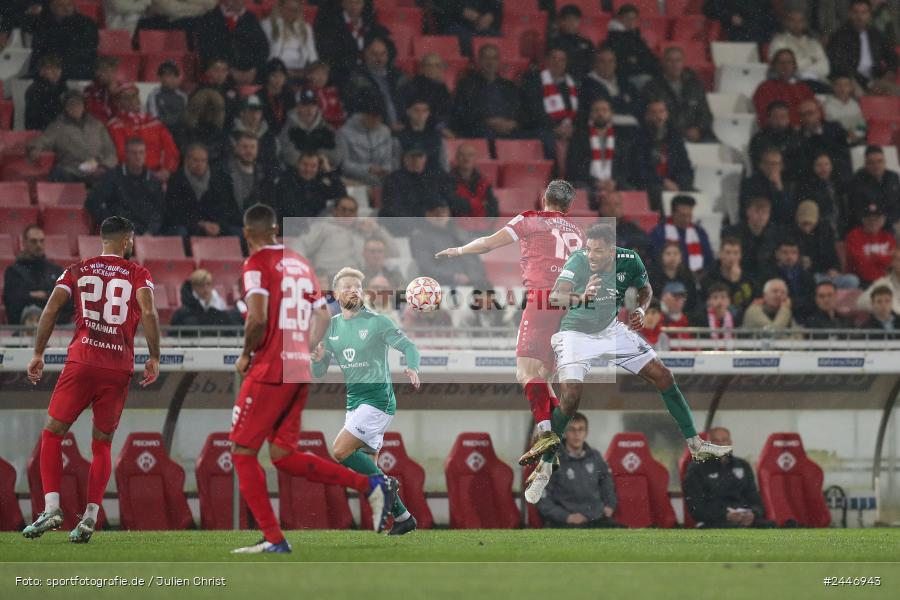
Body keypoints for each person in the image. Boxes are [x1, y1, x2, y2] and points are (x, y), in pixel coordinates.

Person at [229, 204, 397, 553]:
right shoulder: (300, 265)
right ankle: (371, 486)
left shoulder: (257, 264)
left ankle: (274, 539)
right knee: (282, 454)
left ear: (247, 234)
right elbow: (323, 313)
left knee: (243, 452)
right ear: (276, 229)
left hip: (270, 370)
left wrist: (246, 353)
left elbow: (257, 318)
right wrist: (303, 349)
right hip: (297, 370)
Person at [523, 223, 733, 502]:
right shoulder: (579, 261)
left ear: (612, 251)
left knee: (664, 376)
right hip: (575, 333)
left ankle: (695, 444)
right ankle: (545, 468)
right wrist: (581, 295)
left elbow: (645, 289)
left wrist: (640, 309)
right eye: (590, 249)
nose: (592, 255)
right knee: (571, 399)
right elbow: (556, 295)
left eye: (598, 251)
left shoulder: (630, 260)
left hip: (611, 330)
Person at [21, 216, 161, 543]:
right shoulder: (138, 273)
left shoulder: (78, 268)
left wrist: (38, 352)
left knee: (53, 432)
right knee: (102, 444)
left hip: (82, 360)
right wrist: (154, 356)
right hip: (117, 367)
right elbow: (150, 312)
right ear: (126, 241)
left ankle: (52, 507)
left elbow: (51, 309)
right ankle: (90, 517)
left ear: (102, 239)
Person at [435, 181, 586, 466]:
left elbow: (489, 243)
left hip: (543, 299)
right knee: (545, 377)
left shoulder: (532, 219)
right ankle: (552, 440)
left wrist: (459, 251)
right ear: (568, 207)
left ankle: (544, 434)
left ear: (544, 199)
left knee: (526, 373)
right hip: (571, 307)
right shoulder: (578, 231)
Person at [311, 267, 420, 535]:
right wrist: (316, 360)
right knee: (367, 474)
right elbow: (319, 373)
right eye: (347, 286)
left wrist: (413, 366)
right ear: (335, 293)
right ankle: (404, 517)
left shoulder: (378, 321)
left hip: (378, 400)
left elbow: (409, 346)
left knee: (339, 451)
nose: (353, 290)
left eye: (357, 287)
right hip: (354, 403)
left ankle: (387, 487)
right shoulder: (332, 328)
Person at [536, 413, 622, 528]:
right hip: (565, 523)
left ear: (586, 433)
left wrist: (610, 505)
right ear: (565, 433)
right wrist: (566, 517)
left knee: (623, 533)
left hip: (596, 519)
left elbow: (607, 483)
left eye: (581, 429)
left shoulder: (595, 457)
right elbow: (541, 497)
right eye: (572, 429)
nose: (577, 434)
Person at [683, 427, 771, 528]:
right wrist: (725, 515)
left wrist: (753, 514)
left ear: (730, 442)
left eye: (724, 440)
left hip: (744, 519)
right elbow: (696, 507)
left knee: (771, 526)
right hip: (713, 521)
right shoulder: (696, 468)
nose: (721, 444)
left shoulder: (743, 465)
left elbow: (755, 500)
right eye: (716, 441)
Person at [295, 195, 397, 282]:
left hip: (359, 281)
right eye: (343, 210)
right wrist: (306, 270)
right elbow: (300, 245)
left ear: (356, 214)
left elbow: (394, 252)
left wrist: (377, 229)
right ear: (335, 211)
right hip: (329, 279)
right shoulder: (323, 227)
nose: (347, 213)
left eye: (351, 211)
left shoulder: (363, 231)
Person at [27, 89, 118, 185]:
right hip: (72, 169)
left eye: (78, 103)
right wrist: (34, 148)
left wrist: (103, 166)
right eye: (71, 104)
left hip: (96, 167)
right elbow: (43, 139)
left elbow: (111, 152)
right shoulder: (58, 126)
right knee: (58, 172)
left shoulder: (97, 125)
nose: (75, 107)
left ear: (84, 106)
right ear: (65, 108)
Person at [85, 138, 166, 235]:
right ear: (126, 154)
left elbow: (158, 212)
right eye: (134, 153)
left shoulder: (153, 180)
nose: (138, 157)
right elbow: (92, 202)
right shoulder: (113, 176)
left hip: (145, 234)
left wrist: (150, 232)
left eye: (141, 152)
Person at [628, 99, 693, 210]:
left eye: (661, 112)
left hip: (673, 184)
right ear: (647, 116)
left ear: (666, 114)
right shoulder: (638, 137)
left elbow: (685, 166)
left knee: (695, 194)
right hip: (649, 184)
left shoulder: (675, 137)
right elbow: (638, 169)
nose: (658, 116)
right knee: (660, 193)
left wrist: (680, 184)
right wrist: (663, 181)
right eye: (654, 112)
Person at [565, 98, 635, 202]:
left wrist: (614, 182)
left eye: (604, 110)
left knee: (632, 192)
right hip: (588, 183)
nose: (600, 114)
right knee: (582, 190)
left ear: (611, 113)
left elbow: (626, 167)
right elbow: (573, 167)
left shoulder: (620, 139)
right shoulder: (579, 137)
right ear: (591, 114)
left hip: (613, 184)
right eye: (596, 110)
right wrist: (595, 182)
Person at [163, 143, 240, 237]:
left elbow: (228, 209)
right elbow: (173, 213)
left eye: (203, 160)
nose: (199, 164)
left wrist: (219, 226)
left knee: (240, 232)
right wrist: (200, 224)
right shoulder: (176, 180)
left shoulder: (219, 180)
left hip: (216, 227)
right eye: (195, 160)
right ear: (186, 160)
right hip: (190, 227)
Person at [640, 47, 715, 143]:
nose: (674, 65)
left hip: (697, 135)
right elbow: (654, 116)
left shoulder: (695, 85)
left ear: (683, 63)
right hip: (668, 136)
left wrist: (698, 129)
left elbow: (705, 113)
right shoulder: (652, 87)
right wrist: (682, 132)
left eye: (678, 60)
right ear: (663, 63)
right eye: (670, 61)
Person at [106, 85, 180, 180]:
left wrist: (167, 170)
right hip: (131, 177)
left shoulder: (155, 123)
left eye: (134, 96)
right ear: (119, 103)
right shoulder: (115, 126)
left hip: (159, 175)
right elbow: (121, 154)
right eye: (126, 97)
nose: (132, 100)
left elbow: (171, 150)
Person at [451, 44, 524, 140]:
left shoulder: (509, 86)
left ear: (499, 61)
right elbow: (462, 114)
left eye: (494, 58)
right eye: (486, 58)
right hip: (480, 130)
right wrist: (488, 122)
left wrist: (514, 123)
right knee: (487, 134)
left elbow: (520, 111)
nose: (491, 62)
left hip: (508, 129)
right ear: (479, 61)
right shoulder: (466, 84)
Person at [410, 200, 488, 289]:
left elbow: (475, 261)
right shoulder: (420, 237)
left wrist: (472, 277)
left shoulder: (461, 233)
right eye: (436, 212)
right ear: (427, 215)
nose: (440, 216)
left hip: (471, 284)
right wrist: (453, 277)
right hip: (439, 286)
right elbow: (426, 266)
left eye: (443, 211)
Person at [826, 0, 898, 91]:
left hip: (876, 79)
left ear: (870, 15)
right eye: (856, 12)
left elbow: (893, 58)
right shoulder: (840, 35)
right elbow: (841, 66)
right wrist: (868, 83)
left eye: (864, 12)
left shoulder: (876, 34)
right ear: (850, 14)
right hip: (851, 80)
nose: (859, 17)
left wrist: (889, 73)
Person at [2, 225, 67, 326]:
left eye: (41, 241)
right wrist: (48, 296)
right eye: (34, 241)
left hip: (55, 328)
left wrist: (31, 295)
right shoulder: (13, 272)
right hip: (22, 331)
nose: (39, 245)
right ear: (24, 243)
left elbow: (67, 303)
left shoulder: (56, 270)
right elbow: (13, 303)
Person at [313, 0, 390, 84]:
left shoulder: (369, 23)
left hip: (368, 73)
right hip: (343, 74)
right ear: (342, 3)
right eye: (350, 2)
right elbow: (330, 56)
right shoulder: (332, 25)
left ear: (364, 3)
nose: (353, 6)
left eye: (358, 2)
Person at [520, 47, 579, 157]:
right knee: (548, 139)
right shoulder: (534, 79)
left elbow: (578, 111)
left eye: (561, 60)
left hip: (567, 129)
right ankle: (555, 175)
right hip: (542, 128)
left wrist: (571, 128)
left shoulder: (572, 84)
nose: (557, 63)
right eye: (553, 58)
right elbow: (534, 109)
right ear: (546, 60)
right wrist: (554, 128)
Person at [195, 0, 269, 85]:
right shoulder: (209, 18)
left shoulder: (250, 18)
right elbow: (207, 50)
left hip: (252, 75)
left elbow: (263, 48)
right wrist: (229, 71)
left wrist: (254, 70)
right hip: (223, 77)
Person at [380, 146, 459, 225]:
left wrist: (444, 209)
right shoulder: (394, 178)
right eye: (412, 157)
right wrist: (424, 215)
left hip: (436, 224)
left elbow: (449, 197)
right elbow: (393, 207)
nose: (416, 160)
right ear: (404, 159)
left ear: (425, 158)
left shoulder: (435, 175)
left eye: (419, 156)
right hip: (407, 225)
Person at [343, 36, 407, 131]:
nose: (379, 58)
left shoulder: (399, 76)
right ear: (365, 54)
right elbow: (356, 110)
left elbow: (412, 104)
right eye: (374, 54)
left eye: (383, 54)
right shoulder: (356, 79)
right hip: (373, 132)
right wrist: (385, 126)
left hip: (403, 129)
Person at [335, 93, 399, 186]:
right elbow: (345, 166)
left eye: (379, 118)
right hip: (356, 182)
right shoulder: (344, 133)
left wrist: (385, 170)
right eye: (373, 117)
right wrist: (368, 169)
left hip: (382, 182)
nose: (376, 121)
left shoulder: (385, 131)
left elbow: (388, 160)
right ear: (363, 115)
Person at [26, 0, 98, 80]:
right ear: (52, 7)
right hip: (50, 65)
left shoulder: (86, 23)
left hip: (76, 66)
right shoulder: (43, 24)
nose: (66, 8)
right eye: (60, 5)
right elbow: (39, 50)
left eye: (69, 5)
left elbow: (87, 51)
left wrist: (59, 67)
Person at [792, 200, 857, 288]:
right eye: (804, 224)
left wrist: (834, 269)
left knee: (852, 280)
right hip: (808, 277)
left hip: (825, 276)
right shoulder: (792, 236)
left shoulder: (824, 233)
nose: (807, 228)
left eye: (809, 224)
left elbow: (833, 257)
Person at [271, 150, 346, 224]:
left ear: (318, 167)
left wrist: (328, 171)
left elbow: (342, 196)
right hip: (291, 227)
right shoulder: (287, 180)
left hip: (315, 226)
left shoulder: (319, 181)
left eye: (313, 166)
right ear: (298, 164)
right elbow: (291, 211)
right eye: (304, 165)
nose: (308, 169)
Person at [722, 196, 784, 281]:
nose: (761, 216)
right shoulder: (733, 232)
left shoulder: (775, 233)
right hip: (742, 275)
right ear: (748, 212)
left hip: (767, 277)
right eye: (757, 212)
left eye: (765, 212)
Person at [649, 195, 714, 274]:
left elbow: (709, 259)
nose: (687, 219)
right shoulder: (659, 232)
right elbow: (656, 259)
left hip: (698, 277)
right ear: (673, 213)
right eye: (682, 215)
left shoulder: (699, 232)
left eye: (689, 215)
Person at [278, 88, 339, 170]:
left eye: (313, 104)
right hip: (296, 174)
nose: (309, 109)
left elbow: (338, 153)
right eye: (305, 104)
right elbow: (289, 155)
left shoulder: (327, 128)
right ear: (298, 107)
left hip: (324, 170)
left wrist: (322, 159)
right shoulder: (287, 129)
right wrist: (313, 163)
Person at [752, 49, 815, 127]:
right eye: (781, 63)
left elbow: (815, 112)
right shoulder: (765, 88)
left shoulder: (804, 88)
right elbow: (765, 117)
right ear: (774, 66)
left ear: (794, 65)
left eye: (789, 62)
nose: (786, 66)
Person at [604, 4, 661, 88]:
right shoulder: (614, 39)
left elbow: (649, 58)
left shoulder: (638, 38)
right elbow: (623, 65)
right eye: (627, 18)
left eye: (634, 18)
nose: (631, 21)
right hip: (628, 79)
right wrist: (641, 64)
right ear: (619, 19)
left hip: (645, 74)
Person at [758, 238, 817, 319]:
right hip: (775, 316)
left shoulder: (807, 276)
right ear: (777, 254)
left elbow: (813, 299)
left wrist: (793, 303)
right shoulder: (768, 275)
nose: (789, 256)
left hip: (805, 316)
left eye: (794, 253)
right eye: (785, 252)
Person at [795, 99, 852, 183]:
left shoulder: (835, 128)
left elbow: (844, 151)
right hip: (813, 178)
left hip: (838, 172)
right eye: (803, 115)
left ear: (818, 113)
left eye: (810, 113)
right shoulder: (798, 136)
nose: (807, 118)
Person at [768, 9, 830, 84]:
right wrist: (811, 60)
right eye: (792, 20)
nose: (796, 24)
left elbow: (825, 68)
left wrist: (804, 69)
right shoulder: (778, 41)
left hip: (817, 82)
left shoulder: (813, 43)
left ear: (805, 23)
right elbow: (786, 67)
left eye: (800, 21)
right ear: (786, 22)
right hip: (791, 83)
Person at [398, 53, 454, 136]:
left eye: (437, 66)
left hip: (441, 126)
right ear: (421, 68)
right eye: (429, 65)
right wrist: (440, 128)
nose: (433, 69)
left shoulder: (442, 87)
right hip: (423, 129)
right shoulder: (413, 86)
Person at [846, 146, 900, 231]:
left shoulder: (893, 177)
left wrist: (886, 219)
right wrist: (876, 221)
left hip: (890, 222)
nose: (876, 166)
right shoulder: (858, 180)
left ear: (885, 162)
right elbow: (857, 209)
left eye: (880, 161)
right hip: (867, 227)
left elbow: (897, 203)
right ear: (865, 164)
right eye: (871, 162)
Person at [701, 237, 755, 319]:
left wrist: (738, 281)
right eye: (728, 253)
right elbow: (718, 301)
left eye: (736, 253)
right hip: (717, 316)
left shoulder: (748, 276)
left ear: (740, 255)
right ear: (720, 254)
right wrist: (734, 283)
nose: (732, 257)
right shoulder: (709, 276)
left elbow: (751, 302)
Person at [172, 88, 229, 166]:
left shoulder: (219, 132)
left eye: (212, 110)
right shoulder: (183, 128)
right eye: (205, 108)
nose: (208, 113)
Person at [579, 45, 639, 119]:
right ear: (595, 64)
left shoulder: (625, 83)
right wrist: (623, 102)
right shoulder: (587, 84)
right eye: (602, 61)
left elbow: (637, 106)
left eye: (611, 61)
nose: (607, 65)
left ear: (616, 64)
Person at [261, 0, 318, 77]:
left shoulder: (306, 28)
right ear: (280, 8)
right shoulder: (267, 25)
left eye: (296, 10)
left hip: (302, 69)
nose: (294, 13)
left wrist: (314, 69)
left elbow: (312, 54)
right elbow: (268, 54)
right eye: (290, 10)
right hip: (278, 69)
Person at [748, 100, 804, 179]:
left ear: (788, 119)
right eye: (775, 117)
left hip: (791, 181)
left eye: (783, 117)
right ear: (769, 119)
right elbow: (757, 163)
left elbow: (801, 164)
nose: (779, 121)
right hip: (765, 180)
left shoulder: (797, 138)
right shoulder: (759, 139)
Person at [740, 148, 796, 226]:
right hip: (757, 224)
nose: (772, 167)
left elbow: (788, 215)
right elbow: (746, 210)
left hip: (780, 228)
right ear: (761, 165)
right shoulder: (750, 183)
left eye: (775, 164)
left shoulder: (788, 185)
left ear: (781, 166)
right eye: (768, 163)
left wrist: (779, 188)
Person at [448, 143, 498, 229]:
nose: (466, 158)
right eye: (462, 155)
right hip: (457, 229)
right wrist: (480, 204)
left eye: (470, 155)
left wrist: (467, 205)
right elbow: (454, 205)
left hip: (483, 228)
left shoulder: (484, 181)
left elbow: (492, 207)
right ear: (456, 158)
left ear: (475, 158)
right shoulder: (447, 180)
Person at [845, 202, 896, 287]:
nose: (872, 222)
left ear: (883, 220)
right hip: (862, 281)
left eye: (876, 218)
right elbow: (859, 264)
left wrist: (872, 257)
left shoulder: (888, 238)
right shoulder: (854, 236)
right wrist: (882, 259)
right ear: (863, 220)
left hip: (886, 279)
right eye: (869, 218)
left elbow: (893, 261)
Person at [797, 151, 845, 236]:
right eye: (819, 165)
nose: (823, 168)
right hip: (819, 231)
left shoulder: (837, 184)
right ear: (813, 167)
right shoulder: (807, 187)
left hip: (840, 229)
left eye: (826, 164)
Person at [647, 242, 701, 314]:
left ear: (681, 258)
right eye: (668, 254)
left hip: (685, 315)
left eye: (675, 254)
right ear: (662, 257)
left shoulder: (688, 276)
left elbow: (693, 300)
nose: (672, 257)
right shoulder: (653, 276)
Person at [171, 268, 236, 327]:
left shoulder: (221, 313)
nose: (206, 288)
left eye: (208, 284)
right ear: (194, 287)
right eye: (201, 285)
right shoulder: (181, 315)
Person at [396, 98, 446, 174]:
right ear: (408, 111)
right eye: (416, 110)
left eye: (424, 111)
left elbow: (444, 164)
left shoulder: (436, 137)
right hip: (406, 179)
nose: (420, 114)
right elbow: (396, 165)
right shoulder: (400, 137)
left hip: (432, 179)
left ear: (428, 113)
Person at [230, 95, 279, 171]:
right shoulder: (232, 136)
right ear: (241, 113)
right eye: (251, 110)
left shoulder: (269, 137)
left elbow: (274, 163)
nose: (255, 114)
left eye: (258, 111)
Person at [435, 0, 500, 57]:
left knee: (497, 38)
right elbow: (440, 4)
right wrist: (460, 10)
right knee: (467, 42)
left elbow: (496, 5)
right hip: (455, 25)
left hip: (481, 26)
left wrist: (490, 14)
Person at [549, 4, 594, 83]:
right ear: (561, 21)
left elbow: (593, 63)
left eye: (575, 20)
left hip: (585, 82)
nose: (572, 23)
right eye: (569, 19)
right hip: (562, 81)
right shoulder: (554, 42)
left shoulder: (587, 43)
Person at [702, 0, 776, 43]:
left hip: (759, 34)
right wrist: (730, 17)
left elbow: (770, 16)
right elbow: (709, 8)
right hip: (734, 34)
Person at [25, 54, 66, 131]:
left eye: (58, 68)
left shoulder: (63, 88)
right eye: (50, 68)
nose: (55, 72)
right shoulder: (34, 90)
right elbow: (36, 117)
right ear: (41, 71)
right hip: (42, 132)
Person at [822, 73, 866, 146]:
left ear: (851, 88)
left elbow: (862, 125)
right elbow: (828, 128)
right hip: (836, 143)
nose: (842, 88)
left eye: (846, 85)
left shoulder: (855, 105)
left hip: (855, 140)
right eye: (839, 85)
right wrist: (846, 135)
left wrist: (857, 135)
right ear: (833, 87)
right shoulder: (826, 105)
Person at [255, 58, 295, 134]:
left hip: (286, 134)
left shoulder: (289, 94)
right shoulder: (259, 95)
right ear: (267, 76)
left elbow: (292, 117)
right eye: (274, 76)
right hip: (264, 133)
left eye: (281, 76)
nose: (278, 79)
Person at [145, 60, 188, 130]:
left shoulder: (183, 96)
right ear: (160, 78)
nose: (173, 79)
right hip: (161, 130)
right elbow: (154, 120)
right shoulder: (154, 96)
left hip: (181, 131)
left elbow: (187, 118)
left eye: (176, 75)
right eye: (169, 75)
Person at [305, 60, 346, 130]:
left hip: (337, 129)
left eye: (324, 74)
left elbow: (341, 113)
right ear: (309, 75)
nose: (321, 77)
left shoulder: (333, 92)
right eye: (317, 74)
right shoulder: (305, 93)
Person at [858, 247, 900, 314]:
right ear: (893, 263)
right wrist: (888, 305)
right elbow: (861, 302)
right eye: (899, 260)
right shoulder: (883, 283)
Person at [83, 56, 121, 126]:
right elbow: (92, 113)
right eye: (97, 70)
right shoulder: (90, 89)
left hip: (118, 128)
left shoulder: (124, 89)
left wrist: (114, 94)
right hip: (98, 128)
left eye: (104, 70)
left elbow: (128, 113)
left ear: (114, 71)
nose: (99, 73)